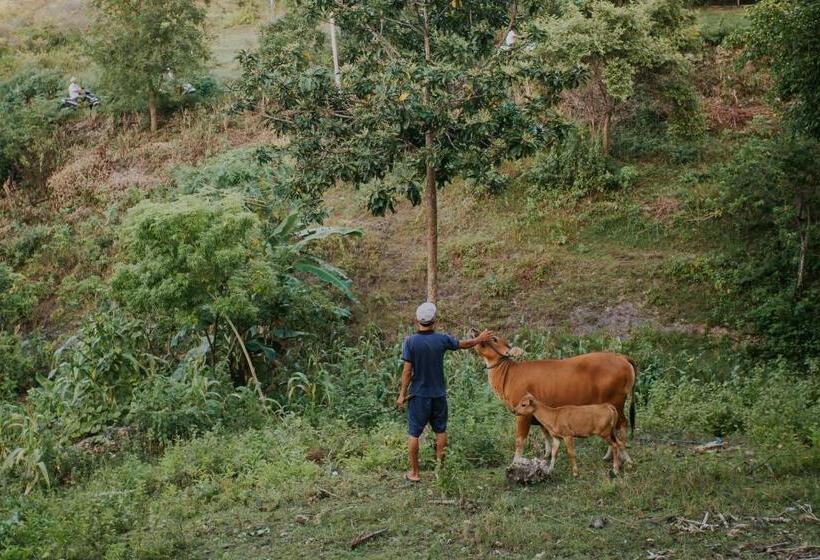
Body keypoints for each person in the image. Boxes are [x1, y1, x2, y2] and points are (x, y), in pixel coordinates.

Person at [396, 302, 493, 482]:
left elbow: (407, 372)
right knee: (441, 431)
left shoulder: (410, 342)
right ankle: (440, 471)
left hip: (418, 395)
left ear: (417, 320)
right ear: (434, 320)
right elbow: (463, 344)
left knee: (414, 434)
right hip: (439, 394)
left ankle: (415, 473)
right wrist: (480, 339)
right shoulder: (441, 339)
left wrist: (402, 394)